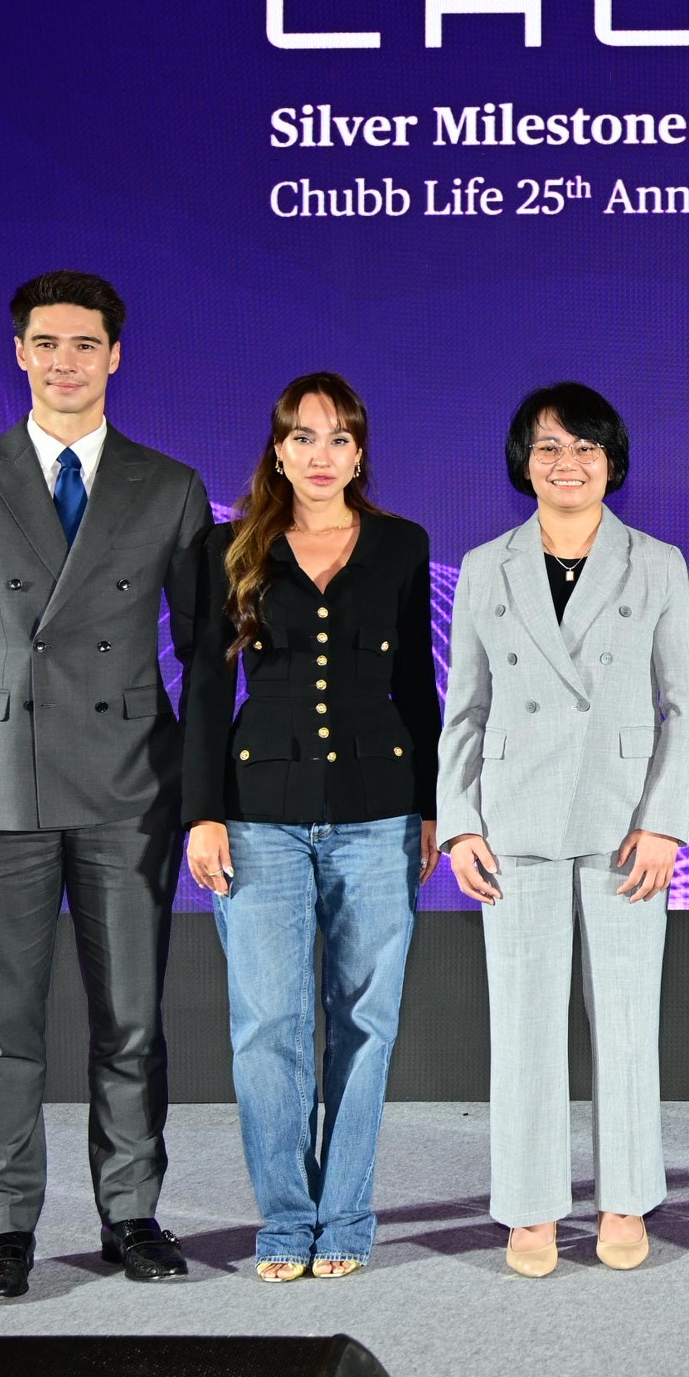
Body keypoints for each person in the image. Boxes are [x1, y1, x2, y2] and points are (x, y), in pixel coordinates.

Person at [0, 270, 212, 1302]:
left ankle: (131, 1213)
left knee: (131, 1022)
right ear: (18, 353)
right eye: (46, 342)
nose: (65, 361)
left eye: (85, 343)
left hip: (130, 786)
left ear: (115, 355)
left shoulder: (169, 485)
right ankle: (4, 1229)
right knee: (2, 1030)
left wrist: (200, 795)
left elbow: (206, 658)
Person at [438, 384, 689, 1277]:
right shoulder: (487, 566)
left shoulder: (656, 563)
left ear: (612, 462)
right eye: (549, 447)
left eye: (586, 447)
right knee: (522, 1026)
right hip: (513, 818)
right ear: (524, 463)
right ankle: (529, 1208)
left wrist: (665, 824)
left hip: (626, 820)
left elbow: (683, 706)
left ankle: (625, 1197)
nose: (568, 463)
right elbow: (464, 708)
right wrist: (459, 824)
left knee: (627, 1020)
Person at [180, 373, 440, 1281]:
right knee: (269, 1026)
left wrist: (433, 807)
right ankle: (287, 1221)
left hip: (379, 814)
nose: (320, 455)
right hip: (259, 818)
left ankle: (348, 1216)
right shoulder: (228, 548)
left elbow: (417, 686)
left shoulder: (402, 545)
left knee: (366, 1021)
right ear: (279, 450)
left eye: (338, 439)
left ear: (359, 453)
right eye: (302, 437)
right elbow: (206, 689)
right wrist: (201, 812)